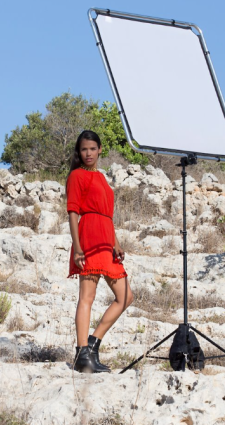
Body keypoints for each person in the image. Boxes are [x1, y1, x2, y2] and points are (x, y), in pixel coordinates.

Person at [66, 130, 134, 373]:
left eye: (92, 149)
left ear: (100, 149)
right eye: (84, 149)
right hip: (89, 238)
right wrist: (77, 248)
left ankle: (93, 344)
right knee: (87, 296)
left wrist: (116, 243)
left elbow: (107, 215)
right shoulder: (77, 175)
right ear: (79, 151)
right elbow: (73, 212)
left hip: (106, 240)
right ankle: (82, 353)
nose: (88, 153)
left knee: (126, 297)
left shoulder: (101, 177)